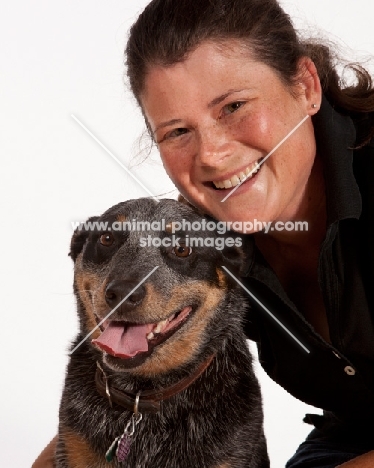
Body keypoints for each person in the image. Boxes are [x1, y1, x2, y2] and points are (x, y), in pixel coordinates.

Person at [33, 0, 374, 466]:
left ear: (305, 86)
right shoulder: (202, 244)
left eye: (233, 106)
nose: (211, 155)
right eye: (177, 131)